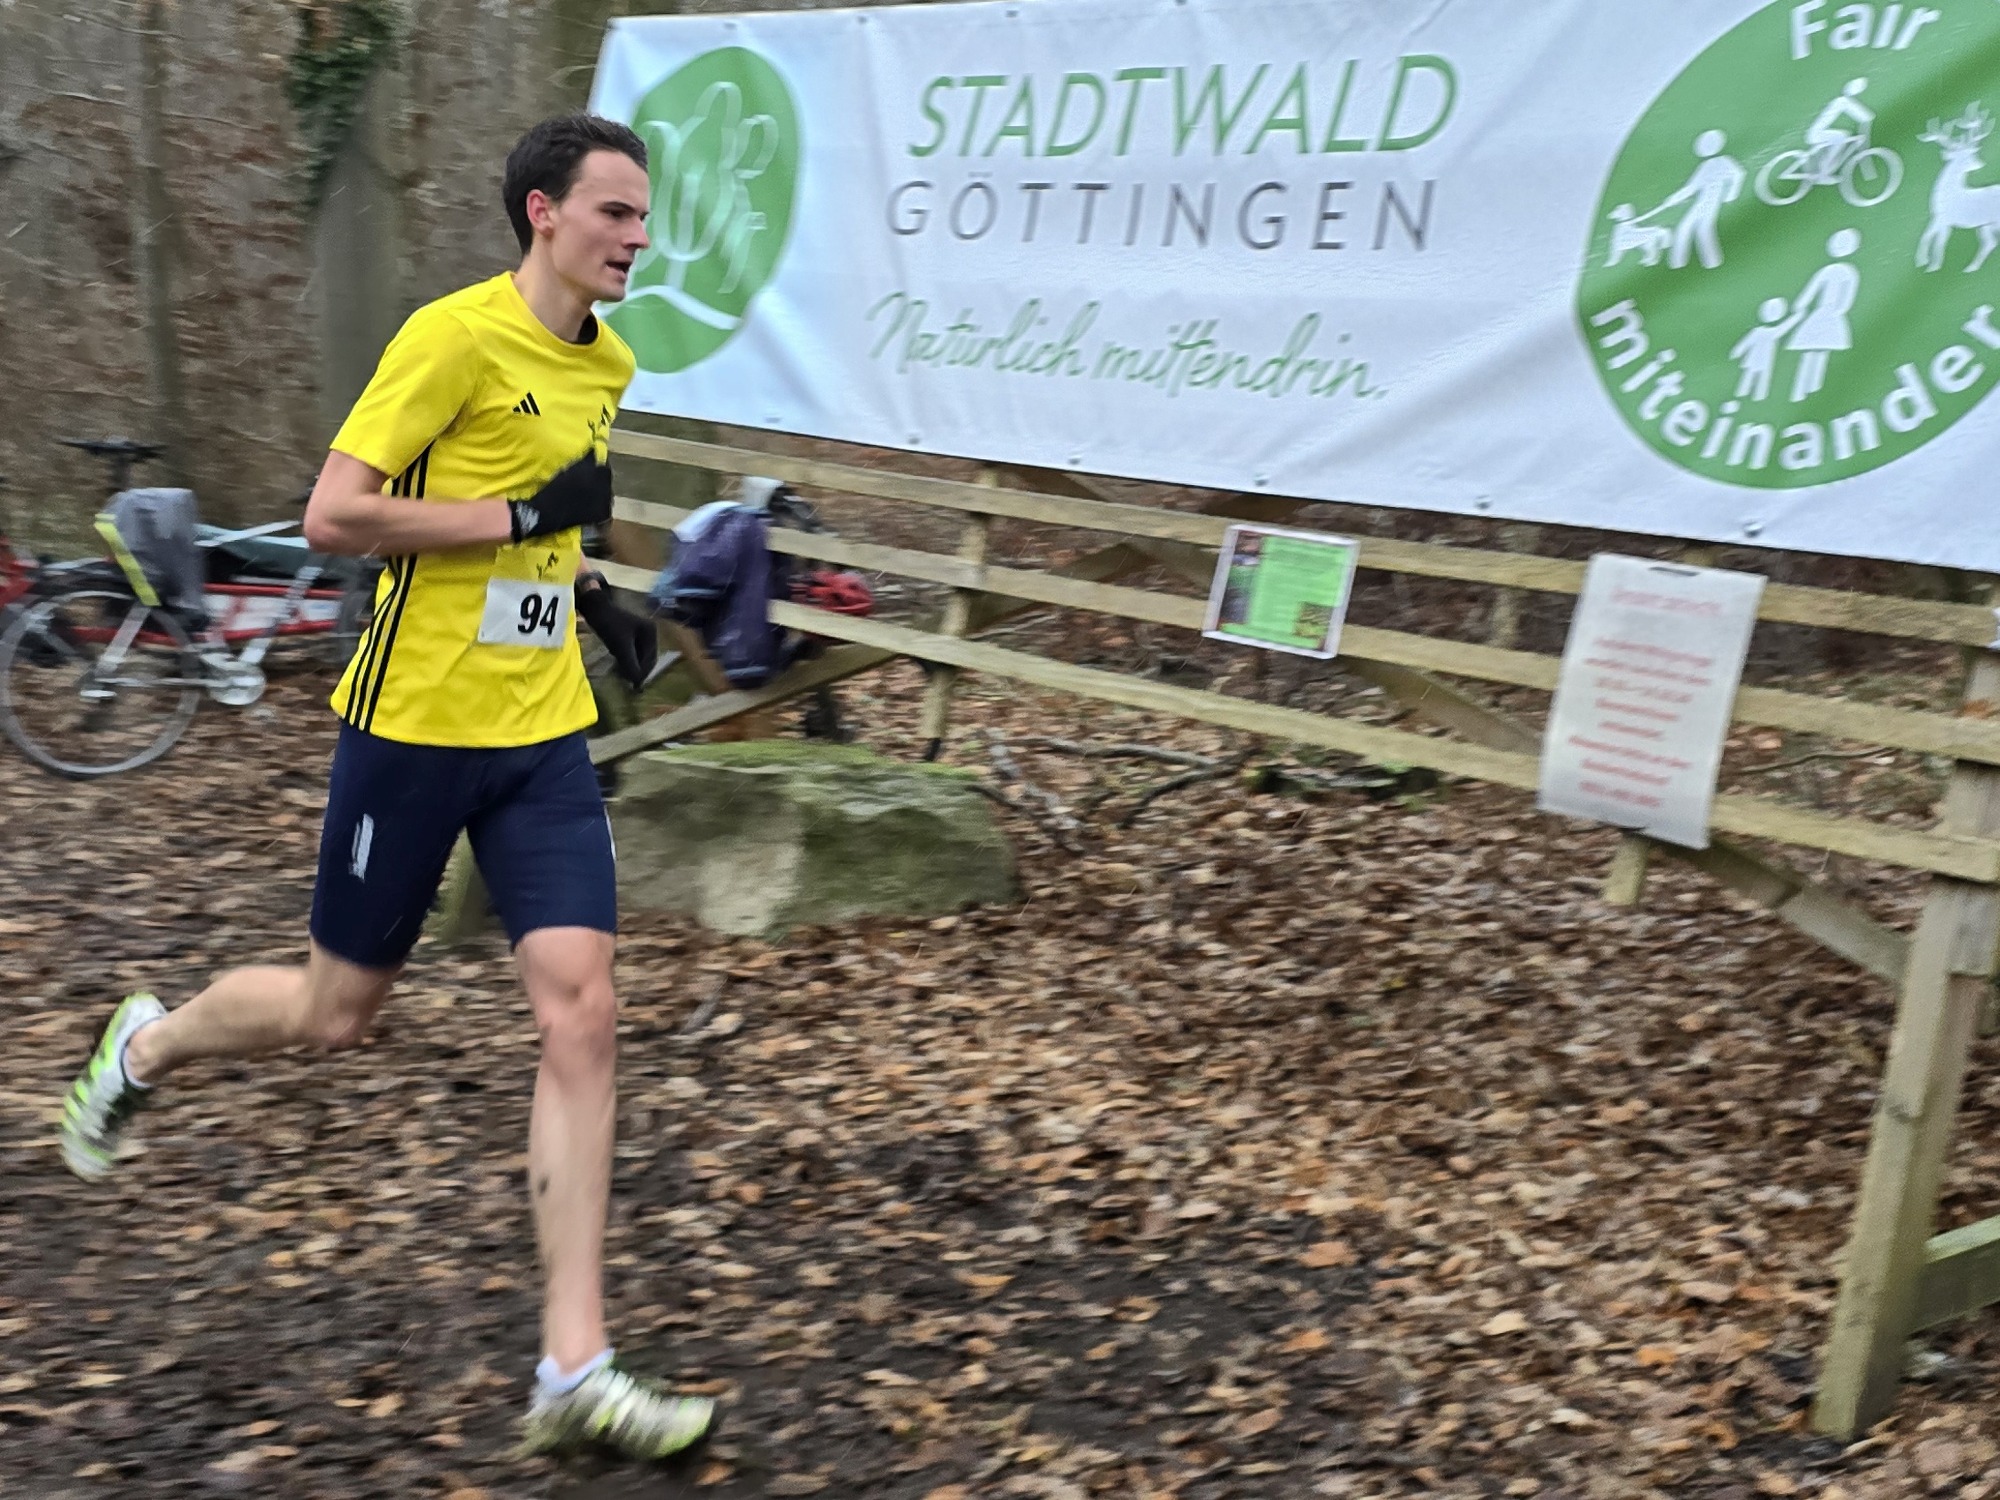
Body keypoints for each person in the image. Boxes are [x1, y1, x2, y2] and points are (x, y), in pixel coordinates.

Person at [56, 114, 710, 1463]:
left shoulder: (610, 361)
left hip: (541, 736)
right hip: (413, 732)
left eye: (645, 216)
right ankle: (146, 1047)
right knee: (335, 1014)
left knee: (584, 1014)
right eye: (617, 213)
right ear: (543, 212)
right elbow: (335, 515)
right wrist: (520, 524)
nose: (639, 238)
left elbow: (548, 511)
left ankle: (573, 1369)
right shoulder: (449, 339)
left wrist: (592, 591)